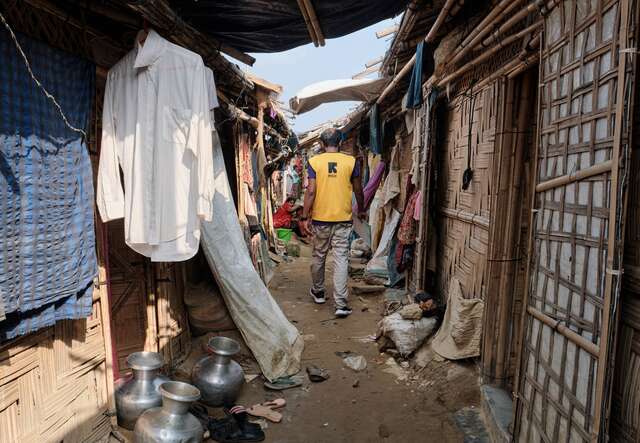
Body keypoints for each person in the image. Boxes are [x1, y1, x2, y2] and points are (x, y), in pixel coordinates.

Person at [300, 128, 365, 318]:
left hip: (321, 220)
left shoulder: (314, 162)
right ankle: (341, 305)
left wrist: (304, 216)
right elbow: (358, 189)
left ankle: (319, 292)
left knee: (319, 255)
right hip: (343, 219)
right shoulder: (351, 161)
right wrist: (361, 208)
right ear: (341, 141)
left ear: (321, 143)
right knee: (341, 259)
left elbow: (311, 191)